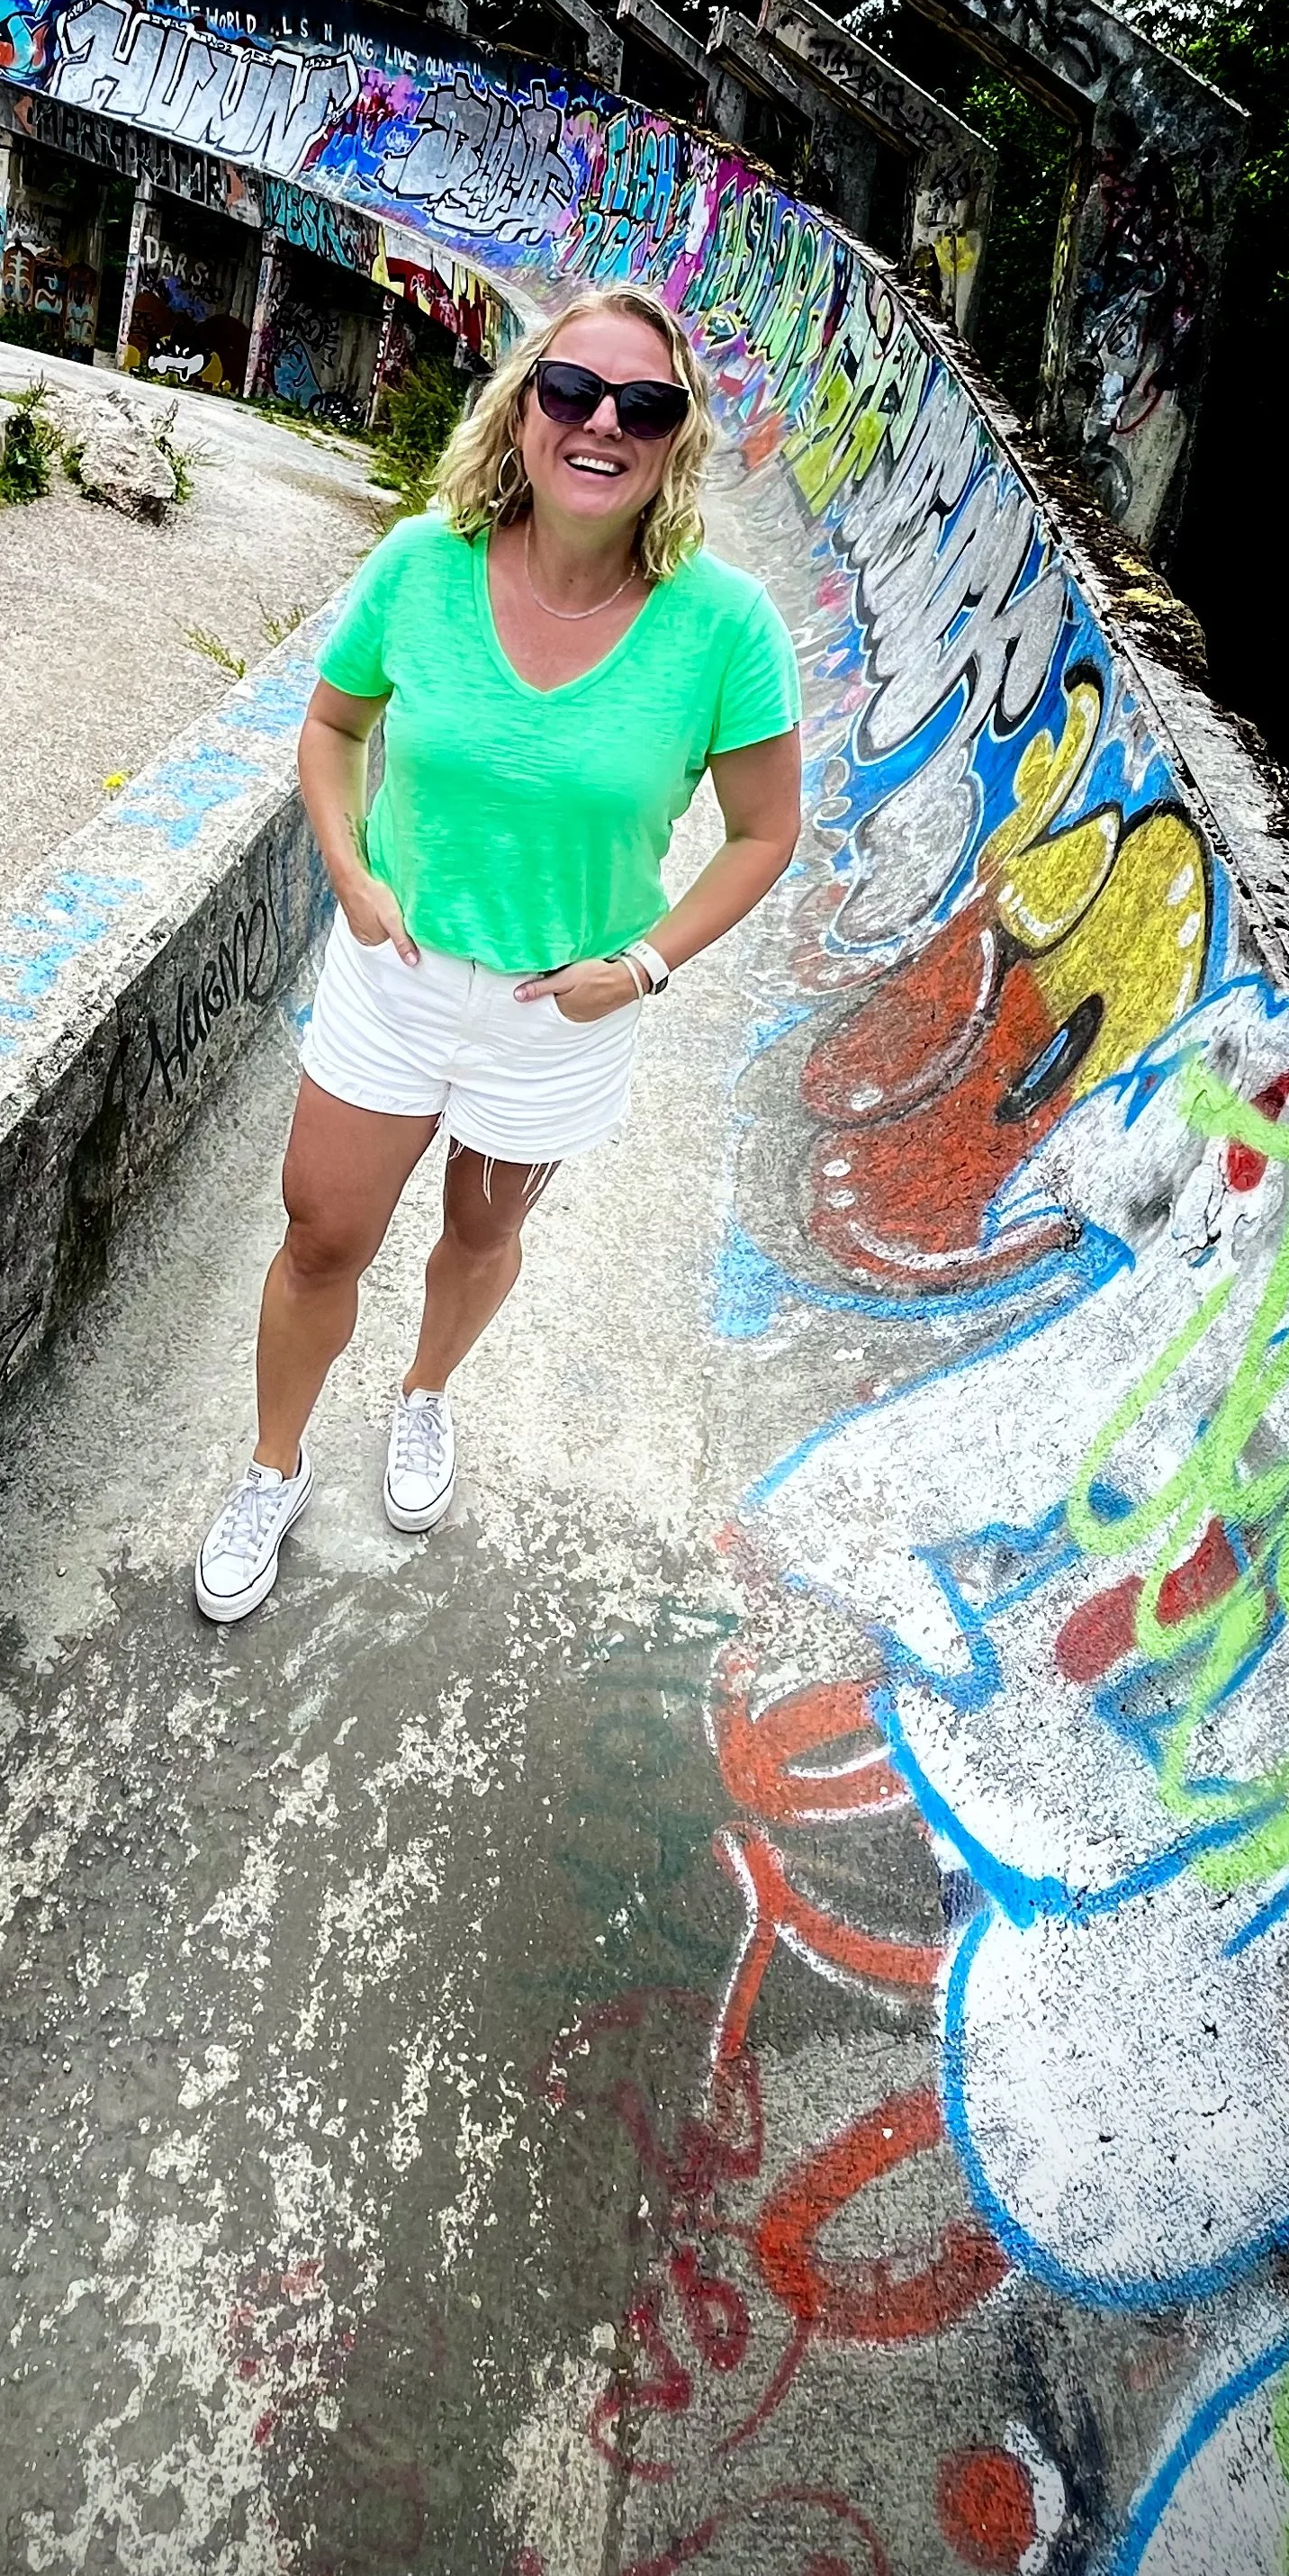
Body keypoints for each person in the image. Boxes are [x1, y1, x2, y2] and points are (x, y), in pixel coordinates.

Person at [194, 284, 802, 1623]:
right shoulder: (423, 565)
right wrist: (350, 873)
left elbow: (765, 832)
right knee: (321, 1235)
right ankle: (273, 1466)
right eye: (572, 391)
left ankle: (424, 1394)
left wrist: (642, 968)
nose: (603, 424)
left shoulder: (725, 627)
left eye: (645, 405)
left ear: (678, 438)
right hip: (396, 982)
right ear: (524, 408)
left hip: (560, 1014)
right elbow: (332, 728)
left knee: (483, 1230)